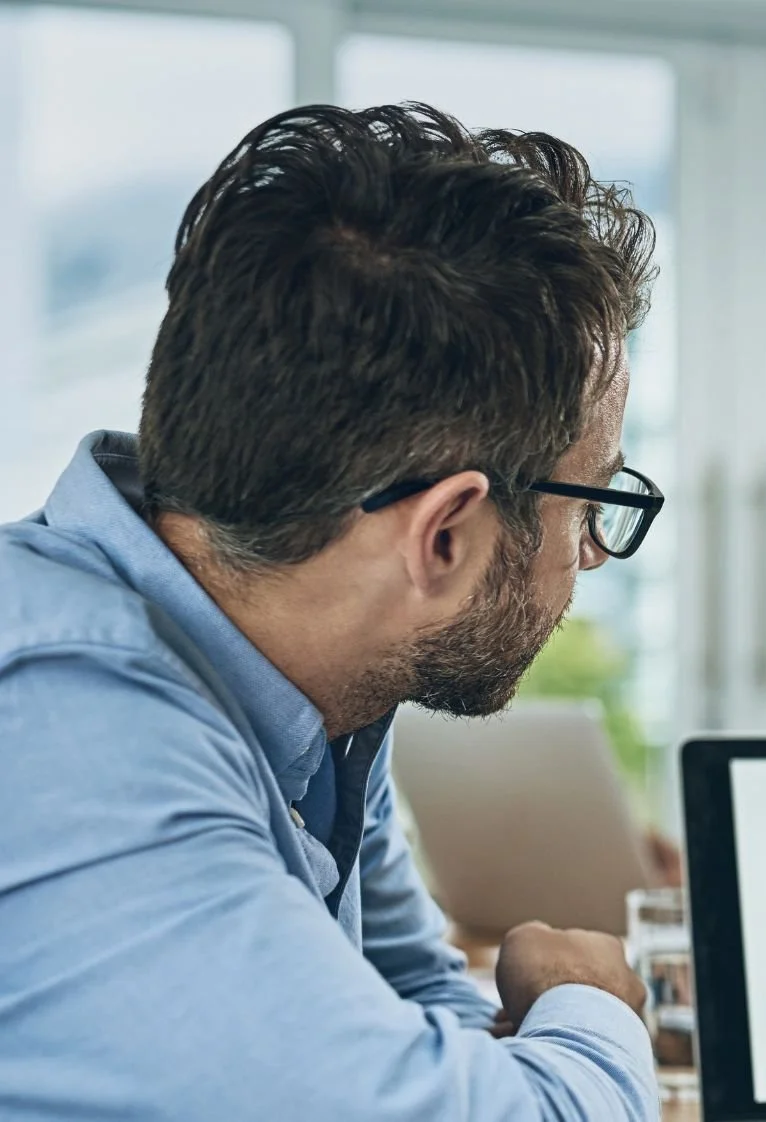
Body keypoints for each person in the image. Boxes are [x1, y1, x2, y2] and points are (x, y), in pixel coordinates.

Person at [0, 104, 667, 1120]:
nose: (590, 558)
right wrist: (592, 1006)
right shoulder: (66, 729)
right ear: (443, 538)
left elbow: (413, 1015)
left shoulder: (299, 683)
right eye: (594, 506)